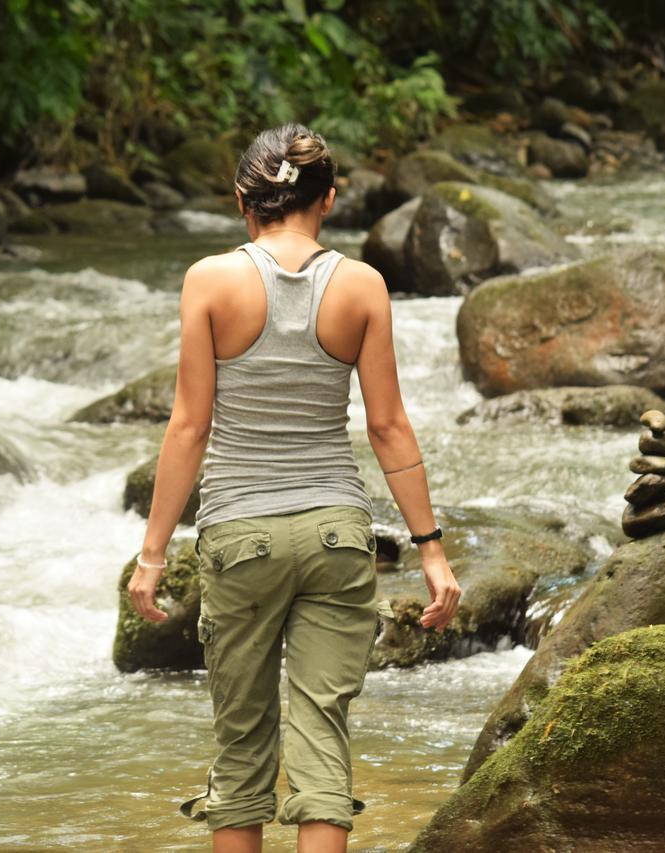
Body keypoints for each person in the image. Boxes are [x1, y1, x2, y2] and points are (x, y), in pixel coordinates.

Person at [126, 122, 462, 853]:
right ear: (330, 200)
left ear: (245, 203)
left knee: (242, 757)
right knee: (322, 747)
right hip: (336, 535)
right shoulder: (362, 285)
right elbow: (390, 427)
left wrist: (151, 554)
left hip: (239, 534)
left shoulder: (210, 281)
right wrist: (430, 549)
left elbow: (189, 427)